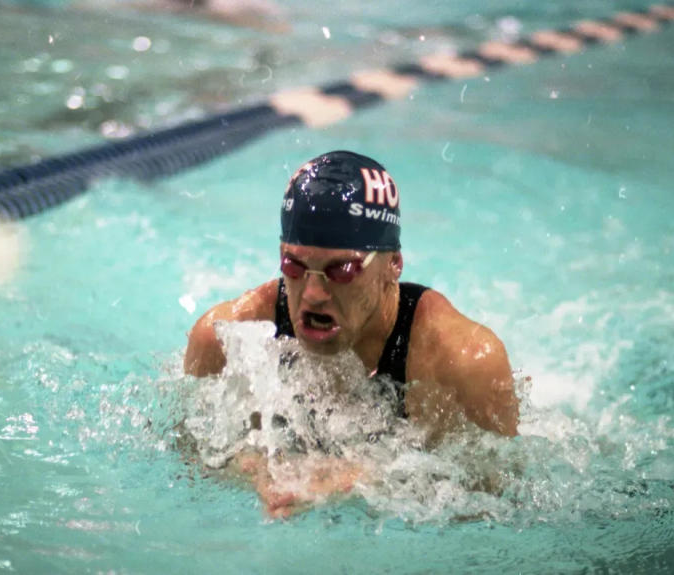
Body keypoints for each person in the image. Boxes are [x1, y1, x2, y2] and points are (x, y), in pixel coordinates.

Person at [184, 150, 519, 516]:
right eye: (293, 267)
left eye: (342, 270)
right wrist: (253, 471)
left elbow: (492, 502)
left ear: (394, 264)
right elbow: (189, 454)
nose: (312, 295)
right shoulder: (226, 338)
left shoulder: (459, 364)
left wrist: (363, 478)